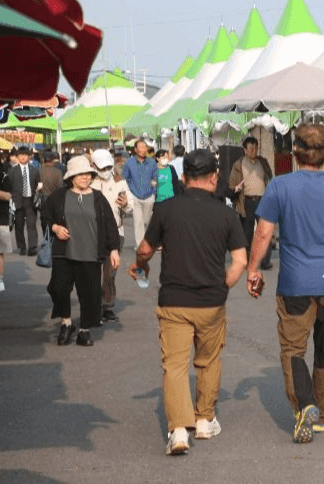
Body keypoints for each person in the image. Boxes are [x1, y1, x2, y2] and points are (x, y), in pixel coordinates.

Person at [247, 123, 324, 444]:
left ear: (295, 152)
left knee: (293, 347)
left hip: (294, 284)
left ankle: (304, 405)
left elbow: (263, 232)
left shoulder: (280, 187)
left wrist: (253, 270)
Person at [129, 149, 246, 456]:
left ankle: (179, 430)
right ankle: (205, 419)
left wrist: (141, 265)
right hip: (211, 303)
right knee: (208, 360)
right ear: (214, 177)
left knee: (175, 366)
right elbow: (240, 261)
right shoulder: (226, 214)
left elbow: (145, 248)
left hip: (174, 301)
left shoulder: (167, 209)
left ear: (183, 178)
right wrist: (222, 286)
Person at [44, 157, 121, 347]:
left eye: (88, 174)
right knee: (59, 288)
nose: (86, 178)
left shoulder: (97, 198)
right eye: (81, 174)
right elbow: (45, 215)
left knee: (89, 294)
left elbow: (110, 225)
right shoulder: (59, 196)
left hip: (90, 254)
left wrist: (113, 250)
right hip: (64, 253)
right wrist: (55, 227)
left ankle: (84, 330)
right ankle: (66, 323)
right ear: (71, 177)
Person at [91, 149, 133, 323]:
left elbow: (130, 208)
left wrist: (125, 205)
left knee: (109, 273)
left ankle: (107, 306)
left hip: (116, 233)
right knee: (91, 273)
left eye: (108, 166)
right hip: (92, 233)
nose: (106, 170)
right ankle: (93, 307)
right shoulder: (88, 181)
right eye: (102, 167)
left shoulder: (119, 182)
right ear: (93, 166)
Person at [229, 136, 274, 270]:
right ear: (245, 150)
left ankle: (265, 261)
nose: (254, 151)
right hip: (247, 202)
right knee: (247, 233)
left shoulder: (263, 162)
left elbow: (270, 177)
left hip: (262, 201)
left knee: (265, 232)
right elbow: (232, 185)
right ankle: (248, 261)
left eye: (256, 148)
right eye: (251, 148)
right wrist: (236, 188)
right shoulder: (239, 164)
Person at [122, 139, 157, 248]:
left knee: (146, 222)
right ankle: (140, 246)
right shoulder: (129, 163)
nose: (142, 150)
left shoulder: (152, 162)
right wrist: (128, 193)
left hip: (149, 196)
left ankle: (146, 241)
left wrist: (153, 192)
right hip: (135, 196)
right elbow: (125, 178)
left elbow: (156, 178)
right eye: (140, 147)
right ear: (136, 149)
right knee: (138, 222)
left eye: (144, 147)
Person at [10, 146, 41, 256]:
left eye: (25, 155)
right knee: (19, 225)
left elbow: (39, 183)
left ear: (29, 156)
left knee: (31, 224)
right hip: (17, 200)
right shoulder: (12, 171)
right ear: (18, 157)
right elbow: (9, 186)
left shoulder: (34, 170)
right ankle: (22, 247)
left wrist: (39, 188)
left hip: (30, 200)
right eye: (21, 155)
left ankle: (32, 247)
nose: (23, 157)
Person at [39, 151, 64, 234]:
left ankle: (45, 236)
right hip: (54, 198)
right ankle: (52, 236)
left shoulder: (39, 171)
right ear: (53, 160)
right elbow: (61, 187)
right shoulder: (57, 172)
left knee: (43, 219)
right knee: (53, 219)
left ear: (43, 160)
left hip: (42, 199)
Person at [0, 165, 12, 291]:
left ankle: (0, 279)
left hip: (1, 218)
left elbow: (9, 195)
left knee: (0, 251)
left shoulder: (4, 177)